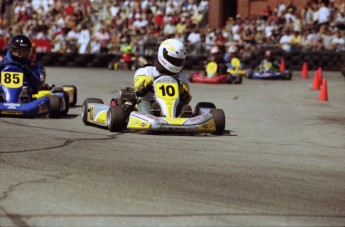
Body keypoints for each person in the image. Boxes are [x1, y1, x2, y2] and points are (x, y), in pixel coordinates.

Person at [133, 38, 192, 117]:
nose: (175, 63)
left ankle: (182, 117)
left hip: (172, 108)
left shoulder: (181, 76)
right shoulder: (146, 71)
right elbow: (138, 91)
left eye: (178, 61)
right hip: (150, 103)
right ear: (162, 54)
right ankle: (151, 116)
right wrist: (146, 82)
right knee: (144, 103)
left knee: (183, 106)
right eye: (173, 60)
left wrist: (183, 92)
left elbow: (186, 99)